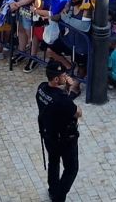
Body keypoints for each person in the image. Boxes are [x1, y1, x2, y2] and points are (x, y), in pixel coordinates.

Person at [36, 63, 81, 202]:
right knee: (72, 168)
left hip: (49, 134)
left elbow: (60, 102)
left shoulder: (41, 88)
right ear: (56, 79)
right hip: (65, 139)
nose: (66, 76)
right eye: (63, 75)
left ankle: (53, 189)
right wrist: (71, 87)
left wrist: (66, 88)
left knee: (53, 162)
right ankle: (58, 197)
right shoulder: (61, 100)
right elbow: (77, 112)